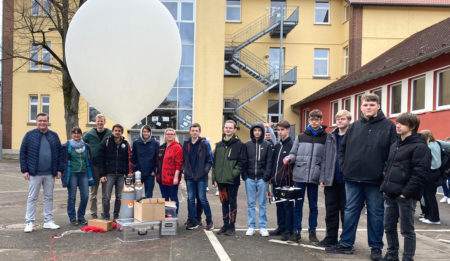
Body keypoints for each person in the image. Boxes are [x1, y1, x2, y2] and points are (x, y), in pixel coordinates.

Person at [326, 93, 397, 261]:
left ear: (378, 106)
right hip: (352, 178)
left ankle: (376, 247)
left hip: (375, 180)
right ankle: (346, 244)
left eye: (372, 104)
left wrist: (385, 171)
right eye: (365, 105)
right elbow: (342, 150)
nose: (368, 107)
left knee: (376, 213)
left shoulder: (388, 126)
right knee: (350, 211)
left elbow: (393, 152)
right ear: (361, 107)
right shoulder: (355, 126)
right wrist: (344, 168)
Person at [380, 112, 430, 261]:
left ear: (412, 127)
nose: (398, 125)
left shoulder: (420, 147)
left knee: (407, 230)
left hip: (405, 197)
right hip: (390, 193)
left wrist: (405, 193)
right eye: (397, 122)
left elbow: (420, 173)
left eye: (402, 123)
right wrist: (385, 187)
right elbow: (389, 167)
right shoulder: (395, 144)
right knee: (389, 227)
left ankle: (407, 257)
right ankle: (392, 254)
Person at [283, 109, 327, 243]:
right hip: (299, 176)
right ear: (308, 121)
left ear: (321, 121)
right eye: (312, 119)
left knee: (313, 206)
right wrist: (289, 158)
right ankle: (297, 231)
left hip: (314, 176)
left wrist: (323, 176)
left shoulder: (325, 137)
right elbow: (293, 152)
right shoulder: (300, 136)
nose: (314, 122)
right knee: (298, 205)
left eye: (317, 119)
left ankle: (312, 232)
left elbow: (326, 158)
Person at [20, 112, 63, 232]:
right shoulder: (29, 135)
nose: (42, 123)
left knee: (49, 197)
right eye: (40, 120)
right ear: (36, 121)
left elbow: (60, 153)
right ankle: (29, 222)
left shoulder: (54, 135)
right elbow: (23, 153)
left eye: (44, 120)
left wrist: (59, 169)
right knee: (32, 197)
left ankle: (48, 221)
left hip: (50, 173)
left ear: (48, 122)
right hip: (34, 173)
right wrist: (24, 170)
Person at [317, 110, 351, 247]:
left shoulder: (353, 136)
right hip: (331, 180)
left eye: (343, 119)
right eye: (337, 119)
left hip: (347, 181)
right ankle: (330, 238)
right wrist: (323, 177)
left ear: (349, 120)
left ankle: (345, 240)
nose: (339, 121)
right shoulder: (331, 136)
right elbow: (324, 158)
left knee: (346, 212)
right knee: (331, 211)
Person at [212, 120, 245, 236]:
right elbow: (214, 163)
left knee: (232, 203)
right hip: (221, 181)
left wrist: (232, 174)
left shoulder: (240, 145)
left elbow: (242, 162)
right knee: (224, 203)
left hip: (232, 181)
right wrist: (214, 178)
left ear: (235, 129)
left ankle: (232, 226)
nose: (228, 129)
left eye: (230, 128)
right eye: (226, 127)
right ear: (223, 129)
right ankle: (225, 225)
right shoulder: (219, 145)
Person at [242, 122, 273, 237]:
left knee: (262, 204)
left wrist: (266, 176)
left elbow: (270, 162)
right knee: (250, 203)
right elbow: (244, 161)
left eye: (259, 130)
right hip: (249, 178)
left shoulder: (267, 145)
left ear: (262, 132)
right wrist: (244, 175)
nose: (257, 132)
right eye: (255, 130)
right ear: (252, 132)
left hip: (262, 179)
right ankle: (251, 226)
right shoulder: (247, 145)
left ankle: (263, 227)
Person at [61, 127, 96, 226]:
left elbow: (89, 160)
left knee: (85, 196)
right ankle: (72, 218)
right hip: (72, 173)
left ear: (81, 134)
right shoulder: (66, 145)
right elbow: (63, 160)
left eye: (78, 133)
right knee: (72, 197)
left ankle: (81, 217)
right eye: (74, 133)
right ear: (71, 134)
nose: (76, 135)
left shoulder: (86, 146)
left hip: (84, 173)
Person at [183, 123, 214, 230]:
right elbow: (183, 159)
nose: (194, 132)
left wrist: (204, 172)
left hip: (201, 177)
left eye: (196, 130)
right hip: (189, 177)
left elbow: (210, 161)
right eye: (193, 130)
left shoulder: (204, 144)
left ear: (199, 132)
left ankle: (209, 221)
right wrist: (184, 169)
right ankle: (193, 221)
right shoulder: (186, 144)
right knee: (191, 199)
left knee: (202, 198)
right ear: (190, 132)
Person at [98, 124, 132, 221]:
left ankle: (116, 216)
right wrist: (102, 174)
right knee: (106, 196)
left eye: (119, 131)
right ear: (112, 131)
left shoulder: (125, 144)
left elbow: (128, 159)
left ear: (121, 132)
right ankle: (106, 216)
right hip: (109, 174)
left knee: (119, 197)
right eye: (116, 130)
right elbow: (101, 159)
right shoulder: (107, 142)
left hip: (121, 175)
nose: (117, 132)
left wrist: (128, 172)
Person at [82, 114, 112, 219]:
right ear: (95, 122)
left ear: (104, 122)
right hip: (93, 166)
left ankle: (105, 213)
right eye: (98, 121)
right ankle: (93, 213)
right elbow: (81, 143)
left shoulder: (109, 133)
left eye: (102, 121)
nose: (100, 123)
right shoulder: (89, 134)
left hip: (106, 167)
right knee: (93, 192)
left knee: (106, 193)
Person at [269, 120, 294, 241]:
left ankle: (288, 230)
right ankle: (281, 226)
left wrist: (288, 177)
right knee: (279, 205)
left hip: (287, 182)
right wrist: (272, 177)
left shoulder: (292, 145)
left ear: (288, 130)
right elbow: (274, 163)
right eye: (278, 130)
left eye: (282, 130)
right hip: (276, 181)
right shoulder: (277, 145)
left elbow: (293, 163)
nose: (280, 132)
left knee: (287, 206)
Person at [419, 130, 450, 224]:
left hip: (429, 173)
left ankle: (434, 218)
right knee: (428, 195)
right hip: (436, 173)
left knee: (429, 196)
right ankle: (429, 216)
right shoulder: (438, 143)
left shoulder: (426, 146)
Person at [156, 128, 183, 215]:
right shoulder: (162, 147)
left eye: (171, 134)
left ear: (174, 135)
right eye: (167, 134)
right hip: (162, 179)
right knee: (164, 198)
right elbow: (158, 161)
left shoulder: (177, 147)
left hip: (171, 179)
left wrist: (176, 177)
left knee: (173, 198)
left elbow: (179, 164)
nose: (169, 135)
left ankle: (174, 215)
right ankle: (166, 215)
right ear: (165, 135)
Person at [131, 125, 159, 198]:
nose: (146, 133)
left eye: (147, 132)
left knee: (149, 195)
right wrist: (134, 170)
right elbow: (133, 158)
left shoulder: (155, 143)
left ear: (150, 133)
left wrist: (154, 170)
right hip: (138, 173)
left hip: (150, 174)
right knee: (136, 194)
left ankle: (147, 209)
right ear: (141, 132)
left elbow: (157, 158)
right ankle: (137, 209)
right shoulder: (136, 143)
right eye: (144, 131)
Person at [439, 136, 450, 205]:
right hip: (444, 170)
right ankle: (446, 195)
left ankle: (449, 196)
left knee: (449, 183)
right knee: (443, 183)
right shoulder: (443, 152)